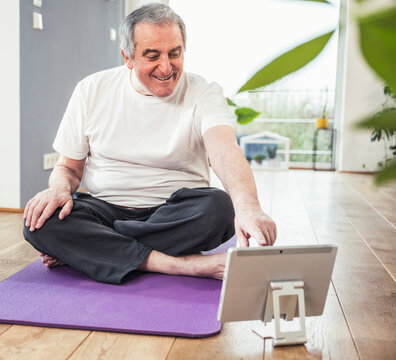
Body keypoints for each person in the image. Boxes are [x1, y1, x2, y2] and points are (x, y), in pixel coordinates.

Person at [23, 3, 276, 284]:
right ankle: (183, 265)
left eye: (175, 54)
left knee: (219, 209)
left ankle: (96, 250)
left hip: (174, 214)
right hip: (106, 208)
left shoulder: (204, 92)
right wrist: (58, 189)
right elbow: (69, 169)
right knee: (40, 222)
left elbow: (225, 151)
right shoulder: (91, 90)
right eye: (152, 56)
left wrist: (249, 207)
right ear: (127, 57)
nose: (166, 67)